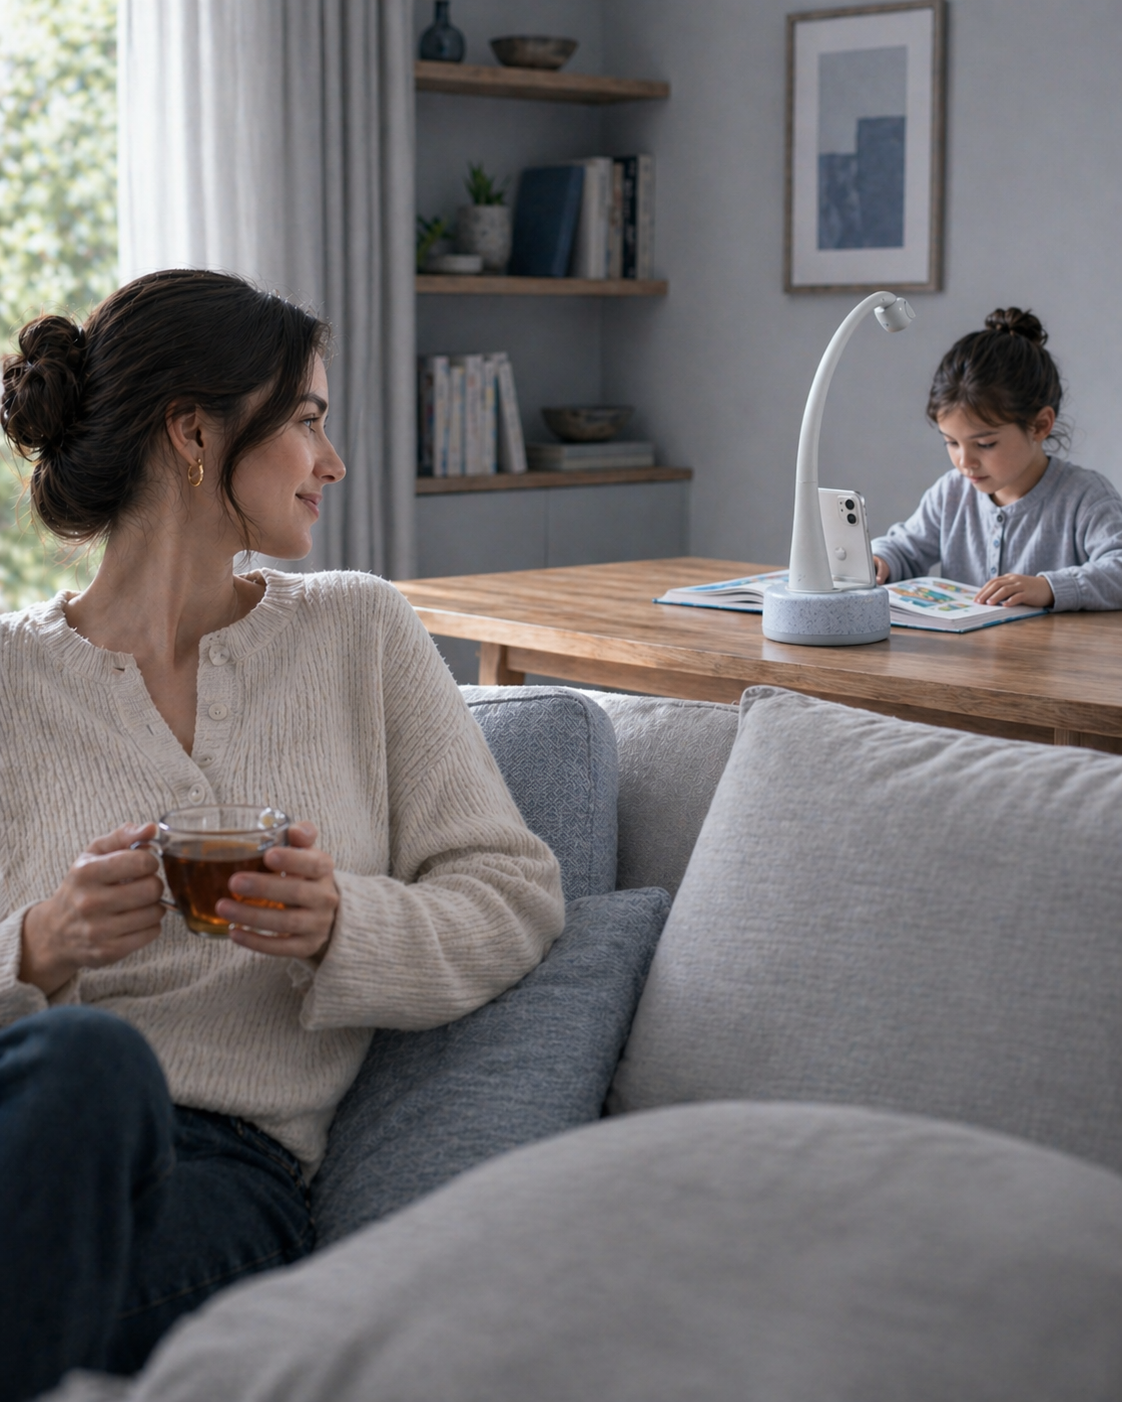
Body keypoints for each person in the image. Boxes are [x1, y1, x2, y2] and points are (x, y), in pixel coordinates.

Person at [0, 269, 565, 1401]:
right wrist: (39, 945)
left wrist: (342, 923)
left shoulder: (361, 631)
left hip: (226, 1172)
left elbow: (514, 893)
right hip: (20, 1118)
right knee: (83, 1061)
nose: (334, 459)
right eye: (307, 420)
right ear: (195, 434)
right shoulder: (10, 679)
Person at [870, 307, 1122, 611]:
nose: (965, 462)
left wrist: (1049, 588)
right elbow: (905, 548)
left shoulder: (1085, 497)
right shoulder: (951, 493)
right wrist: (879, 559)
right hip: (968, 657)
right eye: (951, 442)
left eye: (985, 444)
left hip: (1052, 658)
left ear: (1040, 425)